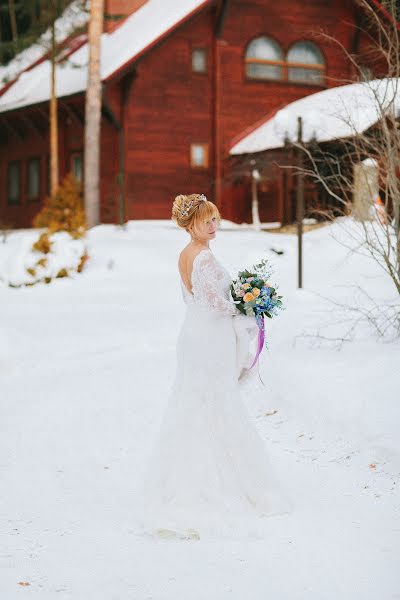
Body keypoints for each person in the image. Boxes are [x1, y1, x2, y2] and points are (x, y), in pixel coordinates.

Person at [131, 194, 292, 541]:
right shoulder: (203, 257)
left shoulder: (184, 255)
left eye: (216, 219)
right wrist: (247, 306)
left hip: (193, 333)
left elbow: (192, 299)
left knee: (194, 402)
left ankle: (184, 480)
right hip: (211, 337)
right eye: (207, 221)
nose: (213, 226)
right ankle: (223, 486)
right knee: (218, 401)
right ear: (190, 224)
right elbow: (217, 303)